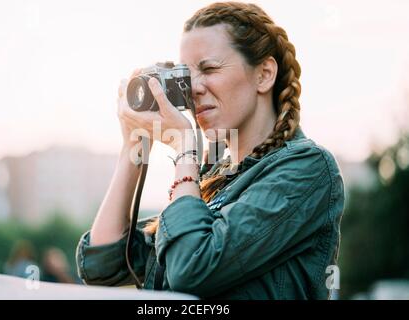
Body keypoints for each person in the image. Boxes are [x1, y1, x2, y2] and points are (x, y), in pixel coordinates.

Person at [75, 1, 344, 299]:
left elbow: (190, 270)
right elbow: (103, 266)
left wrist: (185, 148)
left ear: (264, 74)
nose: (195, 88)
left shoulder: (307, 169)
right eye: (186, 75)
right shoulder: (210, 180)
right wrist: (132, 148)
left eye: (209, 69)